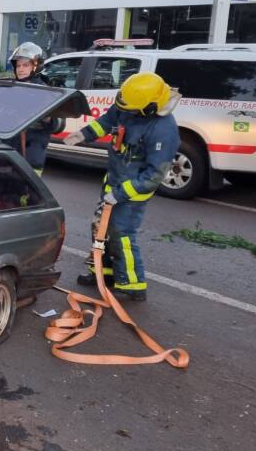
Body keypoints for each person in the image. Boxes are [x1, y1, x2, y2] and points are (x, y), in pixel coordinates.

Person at [64, 72, 179, 301]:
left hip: (131, 194)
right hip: (113, 183)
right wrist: (83, 134)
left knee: (121, 235)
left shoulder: (163, 130)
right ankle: (103, 273)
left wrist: (121, 193)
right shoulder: (129, 107)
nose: (125, 111)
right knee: (101, 230)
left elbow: (155, 175)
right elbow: (107, 122)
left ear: (149, 107)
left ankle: (132, 284)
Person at [4, 42, 58, 175]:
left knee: (27, 194)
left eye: (25, 65)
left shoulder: (45, 92)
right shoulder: (11, 89)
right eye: (18, 65)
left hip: (31, 157)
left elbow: (57, 124)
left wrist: (46, 117)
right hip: (8, 153)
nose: (20, 69)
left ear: (36, 66)